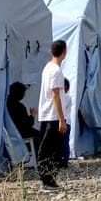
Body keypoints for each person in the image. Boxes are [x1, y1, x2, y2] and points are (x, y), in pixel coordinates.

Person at [38, 40, 67, 191]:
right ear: (64, 52)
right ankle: (47, 179)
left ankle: (48, 178)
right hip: (53, 115)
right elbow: (55, 94)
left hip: (46, 114)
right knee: (52, 150)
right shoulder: (55, 70)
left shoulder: (47, 68)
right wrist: (61, 119)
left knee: (48, 148)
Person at [7, 82, 40, 153]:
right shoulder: (19, 106)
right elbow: (27, 124)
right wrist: (32, 115)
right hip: (20, 134)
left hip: (10, 134)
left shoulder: (6, 105)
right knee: (40, 136)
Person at [60, 78, 72, 169]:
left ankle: (65, 161)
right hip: (61, 122)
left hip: (65, 122)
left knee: (64, 142)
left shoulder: (66, 97)